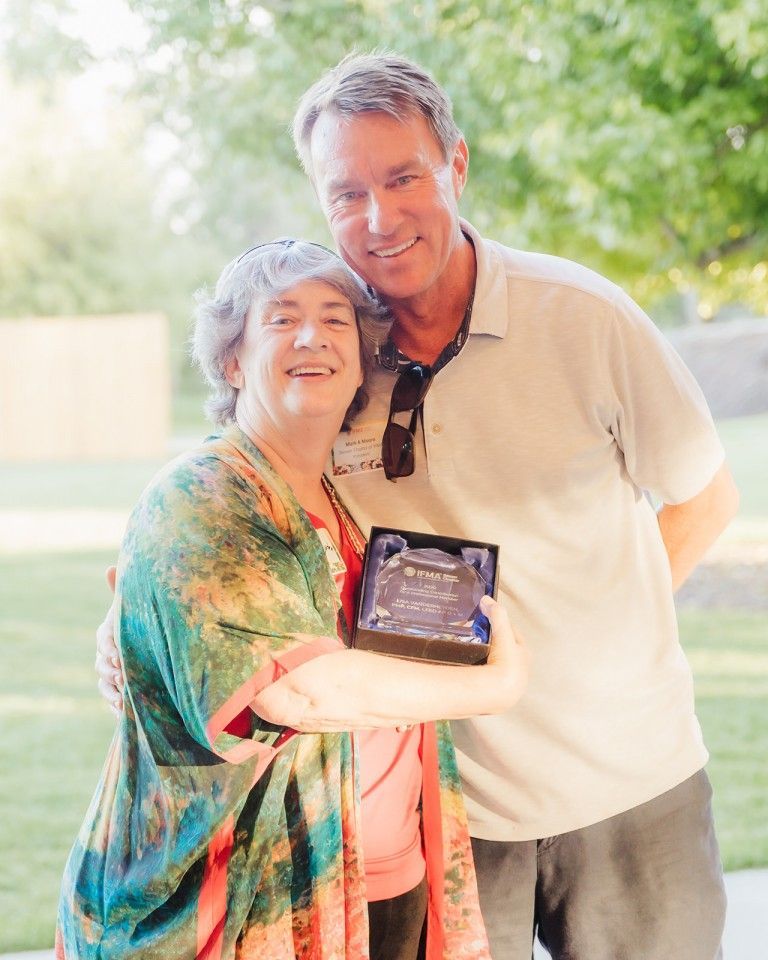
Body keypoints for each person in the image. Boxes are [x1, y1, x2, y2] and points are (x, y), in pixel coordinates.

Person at [97, 54, 739, 958]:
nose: (379, 217)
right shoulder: (340, 357)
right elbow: (237, 519)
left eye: (404, 178)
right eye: (346, 192)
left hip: (630, 791)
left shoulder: (585, 318)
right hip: (455, 810)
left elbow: (706, 499)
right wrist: (132, 621)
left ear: (458, 167)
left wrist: (597, 646)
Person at [62, 240, 528, 960]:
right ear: (234, 361)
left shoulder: (343, 498)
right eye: (282, 319)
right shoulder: (202, 496)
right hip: (237, 910)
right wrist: (493, 685)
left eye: (336, 320)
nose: (313, 336)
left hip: (382, 887)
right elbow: (297, 693)